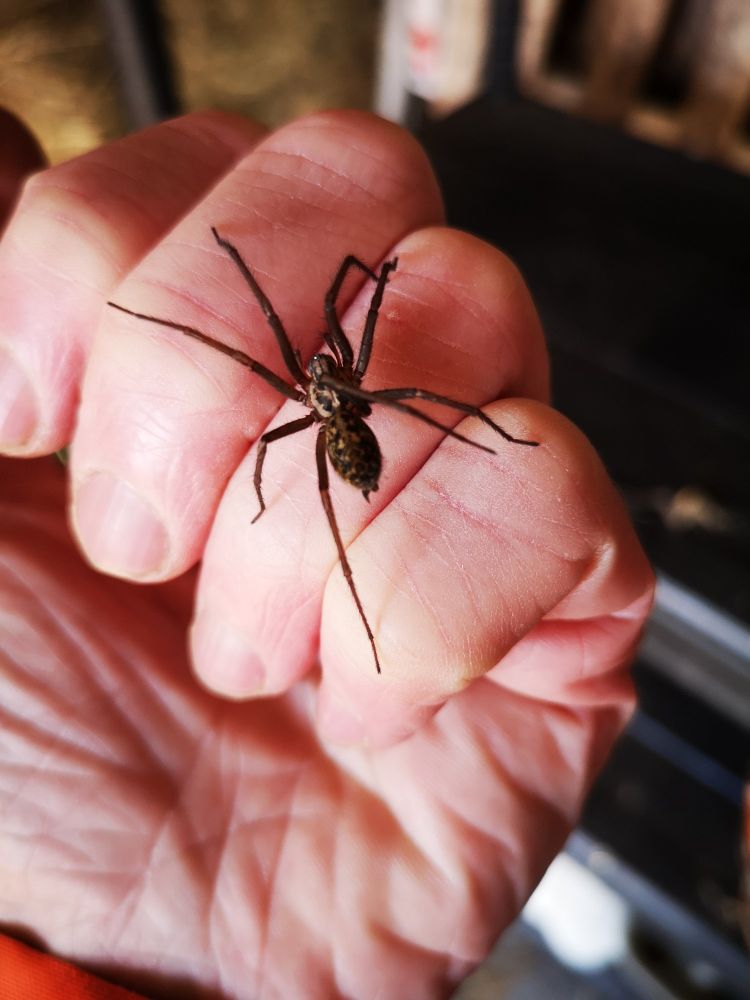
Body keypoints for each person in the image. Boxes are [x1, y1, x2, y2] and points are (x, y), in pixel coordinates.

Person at [0, 106, 653, 999]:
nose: (318, 368)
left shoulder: (333, 388)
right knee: (311, 373)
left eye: (324, 370)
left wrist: (345, 279)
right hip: (346, 444)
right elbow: (282, 338)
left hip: (356, 438)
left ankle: (474, 460)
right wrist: (250, 268)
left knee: (385, 363)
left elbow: (367, 300)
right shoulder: (316, 403)